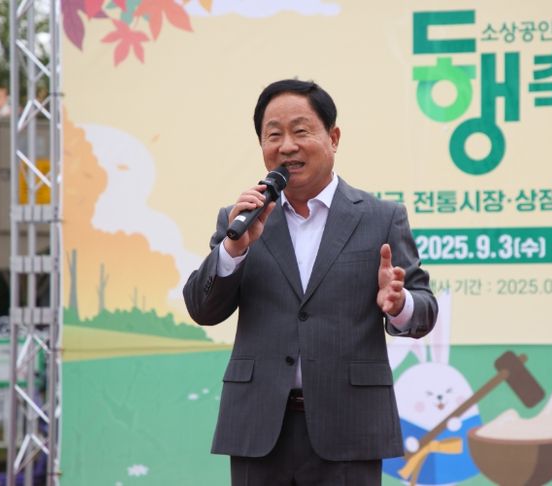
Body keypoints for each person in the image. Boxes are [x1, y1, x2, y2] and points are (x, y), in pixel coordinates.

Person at [183, 79, 437, 485]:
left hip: (349, 425)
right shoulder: (242, 219)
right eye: (273, 135)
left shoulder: (380, 218)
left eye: (301, 131)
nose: (287, 146)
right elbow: (202, 308)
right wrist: (233, 250)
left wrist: (400, 302)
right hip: (258, 427)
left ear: (333, 138)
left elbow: (424, 307)